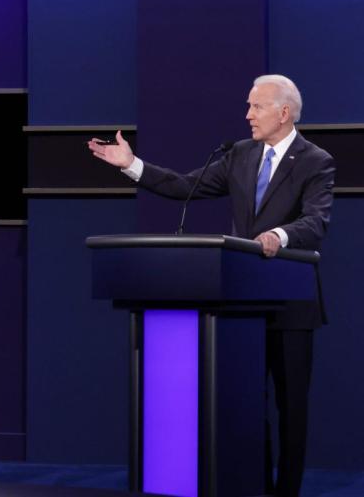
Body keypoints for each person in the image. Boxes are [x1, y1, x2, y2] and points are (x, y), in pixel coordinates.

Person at [87, 74, 334, 497]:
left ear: (284, 113)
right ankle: (252, 485)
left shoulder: (316, 160)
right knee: (247, 407)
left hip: (292, 303)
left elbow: (316, 221)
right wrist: (131, 164)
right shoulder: (239, 155)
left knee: (292, 409)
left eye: (256, 106)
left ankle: (287, 492)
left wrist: (279, 236)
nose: (247, 115)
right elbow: (186, 185)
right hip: (242, 304)